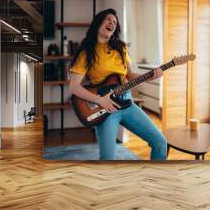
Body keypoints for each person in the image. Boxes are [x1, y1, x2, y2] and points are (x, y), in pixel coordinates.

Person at [69, 9, 167, 161]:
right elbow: (74, 87)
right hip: (106, 107)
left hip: (128, 104)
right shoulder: (86, 53)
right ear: (98, 23)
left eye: (114, 22)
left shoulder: (121, 48)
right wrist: (100, 100)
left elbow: (130, 75)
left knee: (160, 142)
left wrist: (150, 76)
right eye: (108, 19)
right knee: (107, 158)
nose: (112, 23)